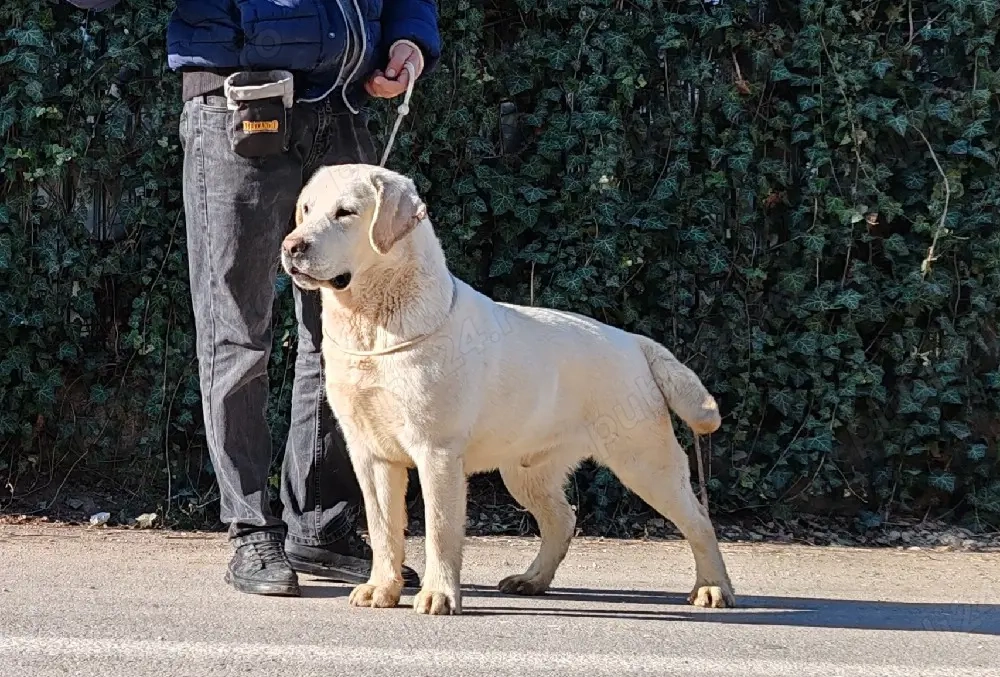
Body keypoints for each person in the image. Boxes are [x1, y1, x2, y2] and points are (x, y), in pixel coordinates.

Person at [65, 0, 441, 597]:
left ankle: (322, 525)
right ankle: (251, 527)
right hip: (235, 108)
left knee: (345, 333)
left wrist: (409, 42)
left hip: (343, 113)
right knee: (236, 330)